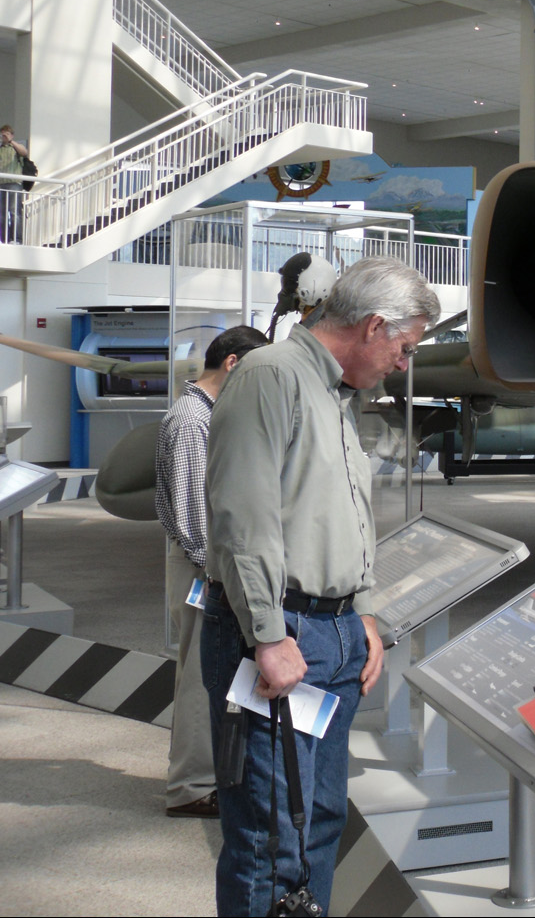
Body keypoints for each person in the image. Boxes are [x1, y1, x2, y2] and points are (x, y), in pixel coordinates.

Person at [201, 256, 439, 916]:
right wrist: (268, 634)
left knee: (318, 823)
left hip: (328, 634)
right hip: (278, 632)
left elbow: (338, 517)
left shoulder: (332, 393)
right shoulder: (272, 376)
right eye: (404, 345)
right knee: (272, 834)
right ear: (371, 326)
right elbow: (243, 518)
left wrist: (359, 613)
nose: (403, 361)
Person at [156, 324, 269, 819]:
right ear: (233, 364)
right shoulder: (190, 421)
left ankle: (201, 777)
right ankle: (192, 785)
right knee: (200, 678)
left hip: (209, 564)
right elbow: (190, 514)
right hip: (203, 566)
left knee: (205, 674)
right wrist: (220, 573)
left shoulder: (207, 414)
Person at [0, 125, 29, 244]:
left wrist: (11, 141)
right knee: (1, 214)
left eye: (7, 134)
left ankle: (16, 239)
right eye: (2, 134)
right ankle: (5, 239)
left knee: (14, 212)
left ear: (11, 135)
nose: (4, 136)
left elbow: (24, 152)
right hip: (0, 184)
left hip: (14, 183)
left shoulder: (16, 148)